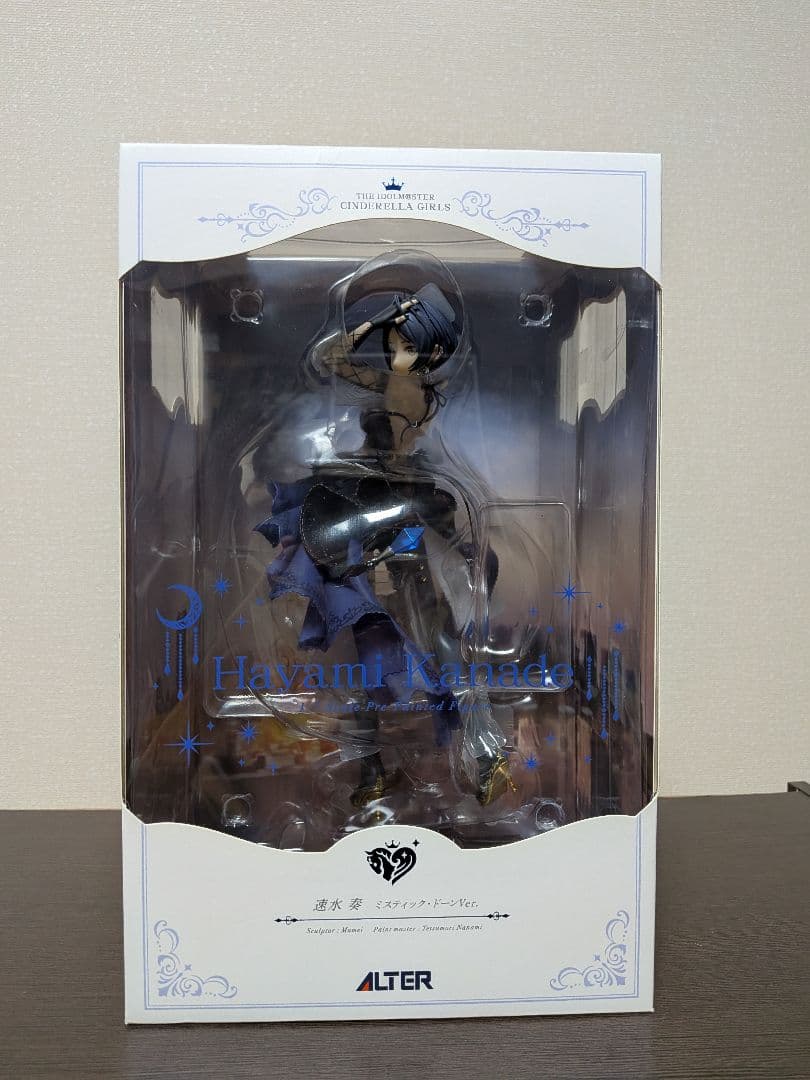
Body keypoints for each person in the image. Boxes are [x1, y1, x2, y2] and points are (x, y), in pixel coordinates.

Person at [256, 282, 514, 809]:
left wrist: (390, 542)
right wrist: (379, 321)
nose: (394, 353)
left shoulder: (410, 391)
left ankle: (479, 754)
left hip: (399, 515)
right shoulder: (396, 383)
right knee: (381, 656)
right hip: (377, 512)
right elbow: (328, 357)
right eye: (394, 345)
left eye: (406, 346)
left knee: (435, 647)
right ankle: (381, 766)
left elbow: (334, 365)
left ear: (432, 352)